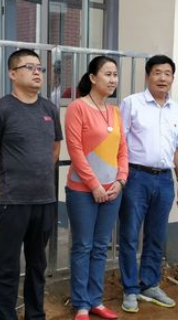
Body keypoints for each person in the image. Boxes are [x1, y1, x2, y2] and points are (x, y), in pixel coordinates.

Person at [0, 49, 63, 320]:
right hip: (14, 202)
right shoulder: (1, 110)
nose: (37, 72)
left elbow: (54, 149)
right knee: (8, 266)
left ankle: (35, 315)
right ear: (12, 74)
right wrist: (0, 182)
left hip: (45, 200)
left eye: (40, 67)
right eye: (29, 67)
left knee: (38, 265)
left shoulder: (50, 109)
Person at [118, 55, 178, 313]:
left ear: (172, 78)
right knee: (129, 235)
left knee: (157, 235)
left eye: (167, 73)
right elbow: (120, 143)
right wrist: (120, 177)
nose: (162, 78)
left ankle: (149, 284)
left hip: (165, 179)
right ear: (147, 76)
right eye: (157, 72)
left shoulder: (176, 109)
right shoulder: (132, 103)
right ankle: (130, 288)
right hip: (136, 177)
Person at [65, 55, 129, 321]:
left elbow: (123, 150)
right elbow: (75, 150)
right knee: (83, 246)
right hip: (82, 191)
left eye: (115, 75)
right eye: (107, 74)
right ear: (93, 78)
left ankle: (96, 300)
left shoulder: (115, 112)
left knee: (101, 247)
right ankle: (81, 304)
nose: (113, 80)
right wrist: (93, 185)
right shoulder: (77, 108)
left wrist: (120, 181)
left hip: (112, 191)